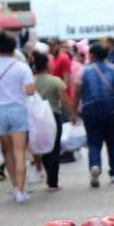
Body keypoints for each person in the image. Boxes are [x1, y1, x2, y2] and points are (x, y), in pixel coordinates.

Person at [0, 30, 36, 203]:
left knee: (8, 152)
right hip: (18, 110)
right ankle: (21, 189)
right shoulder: (21, 66)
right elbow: (30, 90)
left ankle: (14, 187)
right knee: (20, 152)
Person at [78, 41, 114, 187]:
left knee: (93, 141)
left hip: (90, 110)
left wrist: (74, 112)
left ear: (92, 55)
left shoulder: (84, 71)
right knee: (113, 142)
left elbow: (77, 92)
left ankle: (95, 166)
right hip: (112, 109)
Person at [33, 51, 76, 192]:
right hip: (53, 117)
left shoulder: (30, 82)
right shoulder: (55, 81)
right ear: (47, 65)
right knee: (54, 149)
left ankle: (48, 176)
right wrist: (72, 115)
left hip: (35, 119)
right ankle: (53, 182)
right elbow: (65, 101)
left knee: (43, 148)